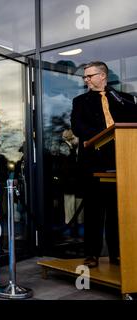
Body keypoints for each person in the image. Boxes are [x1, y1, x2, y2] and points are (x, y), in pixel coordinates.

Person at [71, 61, 137, 267]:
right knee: (94, 212)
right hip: (94, 163)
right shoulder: (80, 101)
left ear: (103, 76)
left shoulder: (123, 98)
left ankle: (117, 254)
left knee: (118, 211)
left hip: (122, 161)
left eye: (90, 76)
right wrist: (105, 136)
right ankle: (92, 254)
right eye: (85, 77)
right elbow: (78, 128)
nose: (86, 80)